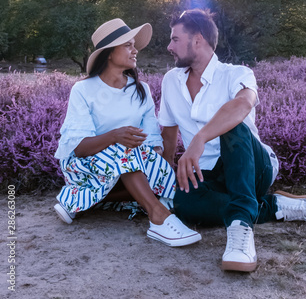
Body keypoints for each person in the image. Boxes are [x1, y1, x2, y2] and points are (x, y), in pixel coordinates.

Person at [159, 9, 306, 271]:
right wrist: (166, 174)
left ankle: (240, 231)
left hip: (252, 166)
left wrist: (200, 139)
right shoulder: (171, 80)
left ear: (198, 40)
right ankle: (272, 206)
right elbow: (168, 133)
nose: (169, 46)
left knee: (230, 124)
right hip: (207, 173)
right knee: (184, 203)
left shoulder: (237, 73)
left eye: (175, 39)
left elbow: (242, 104)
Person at [54, 18, 201, 247]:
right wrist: (115, 136)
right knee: (124, 150)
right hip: (85, 165)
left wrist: (158, 168)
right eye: (128, 45)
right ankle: (158, 217)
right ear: (109, 53)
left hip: (131, 163)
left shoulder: (141, 90)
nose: (135, 51)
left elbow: (153, 139)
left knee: (164, 177)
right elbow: (79, 148)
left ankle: (77, 199)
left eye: (134, 45)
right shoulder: (83, 90)